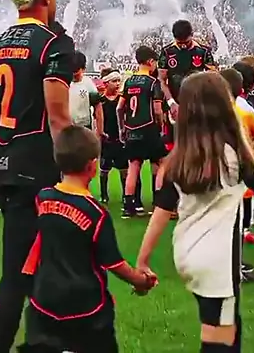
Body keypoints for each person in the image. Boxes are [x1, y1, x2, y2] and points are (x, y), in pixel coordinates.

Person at [0, 0, 74, 353]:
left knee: (29, 270)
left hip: (8, 170)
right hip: (42, 170)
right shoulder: (54, 44)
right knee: (30, 274)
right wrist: (75, 178)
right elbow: (58, 119)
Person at [137, 71, 254, 353]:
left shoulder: (178, 160)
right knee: (220, 341)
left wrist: (142, 260)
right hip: (219, 264)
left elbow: (161, 211)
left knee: (224, 326)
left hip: (188, 255)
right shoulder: (235, 155)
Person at [18, 125, 157, 353]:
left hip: (44, 300)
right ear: (92, 167)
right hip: (87, 307)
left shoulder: (43, 199)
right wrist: (140, 280)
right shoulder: (96, 214)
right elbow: (114, 263)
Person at [117, 46, 165, 218]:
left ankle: (128, 206)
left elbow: (119, 107)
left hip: (132, 129)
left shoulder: (128, 82)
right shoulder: (153, 82)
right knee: (159, 163)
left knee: (133, 166)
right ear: (151, 62)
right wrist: (160, 125)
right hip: (149, 128)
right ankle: (158, 202)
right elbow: (157, 109)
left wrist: (122, 127)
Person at [220, 68, 254, 262]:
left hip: (217, 180)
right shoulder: (245, 111)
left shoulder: (208, 112)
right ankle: (236, 266)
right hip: (242, 180)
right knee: (239, 225)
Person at [158, 19, 215, 121]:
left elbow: (212, 77)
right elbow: (162, 81)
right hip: (175, 104)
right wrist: (171, 102)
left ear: (192, 35)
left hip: (197, 104)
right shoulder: (166, 52)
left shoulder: (204, 51)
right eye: (180, 43)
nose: (183, 46)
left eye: (186, 42)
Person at [99, 70, 128, 205]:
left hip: (120, 140)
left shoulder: (121, 100)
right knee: (104, 170)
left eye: (118, 81)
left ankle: (126, 195)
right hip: (106, 139)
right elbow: (97, 118)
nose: (117, 84)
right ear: (106, 83)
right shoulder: (101, 101)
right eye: (114, 81)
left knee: (124, 170)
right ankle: (104, 195)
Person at [69, 50, 103, 135]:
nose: (73, 77)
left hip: (84, 129)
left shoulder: (88, 84)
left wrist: (100, 131)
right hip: (66, 129)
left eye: (76, 75)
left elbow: (98, 108)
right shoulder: (63, 83)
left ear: (84, 69)